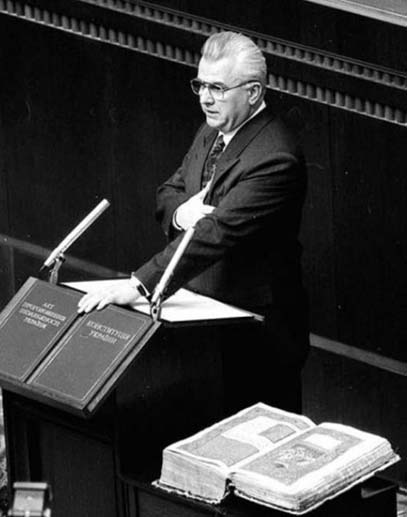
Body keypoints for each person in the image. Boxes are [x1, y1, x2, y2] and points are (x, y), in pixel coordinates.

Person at [78, 31, 309, 414]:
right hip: (204, 320)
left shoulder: (275, 156)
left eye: (218, 87)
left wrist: (138, 285)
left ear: (253, 92)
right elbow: (169, 192)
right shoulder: (213, 129)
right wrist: (184, 213)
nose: (205, 97)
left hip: (257, 338)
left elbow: (214, 235)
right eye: (201, 84)